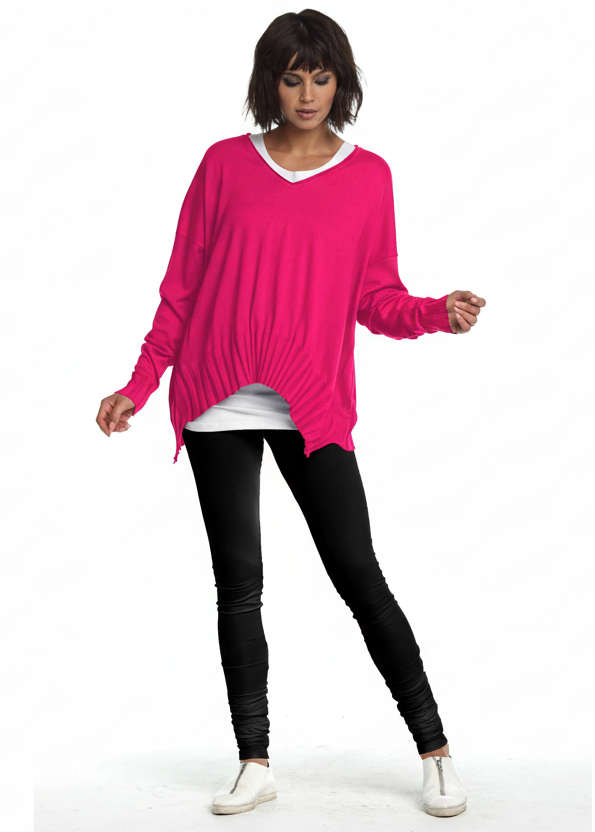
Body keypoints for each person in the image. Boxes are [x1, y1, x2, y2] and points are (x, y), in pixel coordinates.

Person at [96, 9, 485, 819]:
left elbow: (373, 296)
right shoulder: (222, 165)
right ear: (268, 83)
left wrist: (431, 313)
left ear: (341, 84)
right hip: (215, 396)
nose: (307, 93)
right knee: (238, 586)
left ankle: (435, 752)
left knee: (358, 574)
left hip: (310, 403)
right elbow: (181, 289)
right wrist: (138, 383)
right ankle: (254, 761)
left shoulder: (368, 176)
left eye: (321, 77)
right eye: (291, 77)